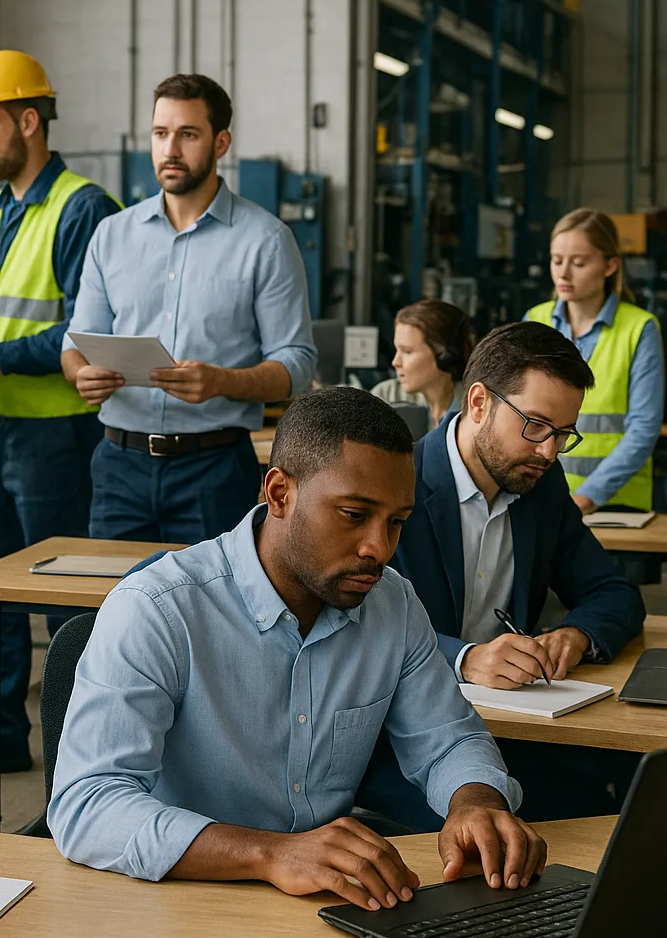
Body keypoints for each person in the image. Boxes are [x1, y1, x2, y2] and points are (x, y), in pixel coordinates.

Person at [48, 388, 546, 906]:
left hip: (324, 898)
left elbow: (447, 740)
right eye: (354, 514)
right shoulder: (158, 608)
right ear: (280, 493)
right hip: (178, 900)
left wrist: (476, 803)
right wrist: (272, 853)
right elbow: (88, 806)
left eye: (396, 522)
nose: (380, 548)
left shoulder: (391, 604)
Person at [359, 322, 645, 828]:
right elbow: (354, 629)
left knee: (632, 792)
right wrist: (465, 659)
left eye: (563, 434)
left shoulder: (540, 482)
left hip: (512, 730)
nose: (550, 452)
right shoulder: (395, 482)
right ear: (477, 403)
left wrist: (575, 636)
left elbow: (613, 591)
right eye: (535, 426)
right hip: (401, 739)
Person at [0, 50, 121, 773]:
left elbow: (86, 324)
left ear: (29, 121)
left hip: (55, 436)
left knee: (65, 604)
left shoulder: (82, 207)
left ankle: (82, 756)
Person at [61, 73, 317, 544]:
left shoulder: (265, 241)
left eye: (188, 134)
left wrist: (222, 381)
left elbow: (297, 362)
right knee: (110, 612)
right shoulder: (112, 236)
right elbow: (75, 341)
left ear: (221, 143)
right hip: (119, 467)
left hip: (214, 469)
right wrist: (81, 373)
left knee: (212, 614)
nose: (170, 149)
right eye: (160, 134)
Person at [525, 209, 664, 513]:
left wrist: (587, 497)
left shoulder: (639, 329)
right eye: (556, 260)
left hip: (617, 507)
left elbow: (643, 428)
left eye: (579, 263)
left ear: (610, 265)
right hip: (540, 502)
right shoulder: (535, 321)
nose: (563, 273)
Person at [372, 300, 477, 429]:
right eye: (397, 350)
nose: (395, 362)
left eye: (407, 351)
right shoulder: (384, 397)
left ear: (445, 355)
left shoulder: (476, 407)